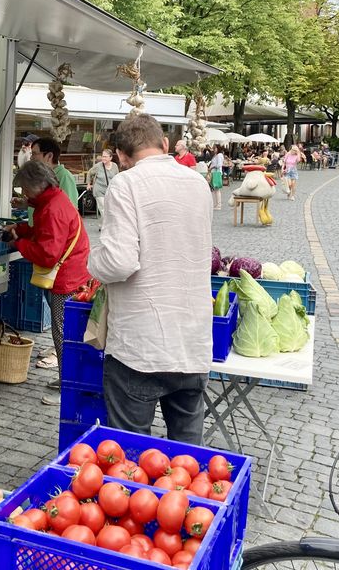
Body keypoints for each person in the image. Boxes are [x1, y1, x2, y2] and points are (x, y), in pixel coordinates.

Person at [87, 113, 212, 445]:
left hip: (140, 347)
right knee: (187, 459)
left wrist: (92, 259)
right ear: (166, 144)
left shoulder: (125, 183)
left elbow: (119, 262)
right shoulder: (198, 182)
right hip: (191, 343)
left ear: (122, 157)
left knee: (130, 457)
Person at [1, 161, 91, 406]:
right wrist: (20, 229)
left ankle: (68, 389)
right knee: (66, 333)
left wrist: (17, 243)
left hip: (67, 279)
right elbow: (41, 233)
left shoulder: (53, 209)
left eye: (25, 189)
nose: (24, 194)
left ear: (37, 185)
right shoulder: (51, 201)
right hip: (72, 273)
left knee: (63, 334)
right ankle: (67, 380)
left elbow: (47, 253)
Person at [87, 149, 119, 224]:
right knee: (103, 209)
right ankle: (107, 226)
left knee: (110, 209)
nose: (103, 158)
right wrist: (88, 184)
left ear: (110, 158)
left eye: (105, 157)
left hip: (109, 190)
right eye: (102, 156)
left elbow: (117, 177)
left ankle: (101, 224)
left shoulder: (114, 166)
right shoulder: (98, 166)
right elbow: (89, 173)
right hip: (99, 190)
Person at [208, 144, 225, 210]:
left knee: (217, 189)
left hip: (216, 173)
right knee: (214, 189)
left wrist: (211, 167)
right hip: (214, 173)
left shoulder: (219, 155)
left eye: (215, 148)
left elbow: (219, 165)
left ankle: (218, 205)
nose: (214, 149)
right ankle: (216, 204)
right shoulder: (216, 155)